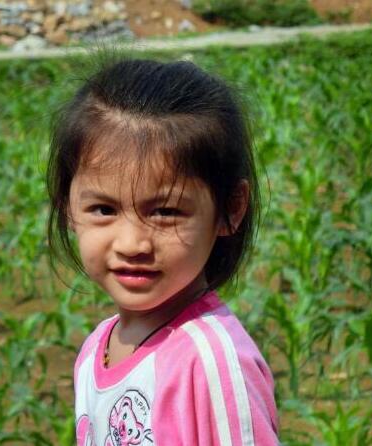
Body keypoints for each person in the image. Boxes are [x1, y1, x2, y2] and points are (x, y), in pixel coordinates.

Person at [46, 56, 279, 445]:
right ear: (67, 205)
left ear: (231, 208)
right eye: (103, 209)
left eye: (166, 212)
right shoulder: (96, 349)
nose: (132, 244)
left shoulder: (210, 364)